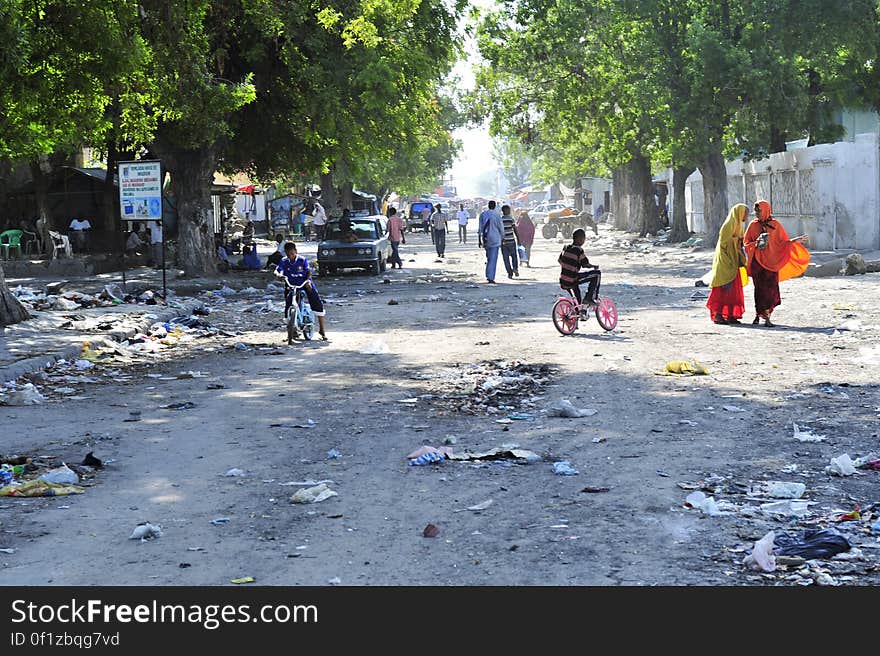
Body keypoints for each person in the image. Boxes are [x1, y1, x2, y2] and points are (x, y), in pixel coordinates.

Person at [743, 200, 810, 327]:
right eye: (755, 211)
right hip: (757, 262)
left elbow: (783, 242)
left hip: (772, 263)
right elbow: (746, 244)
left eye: (759, 210)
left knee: (770, 290)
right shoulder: (752, 225)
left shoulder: (775, 225)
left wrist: (794, 241)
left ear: (766, 210)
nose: (756, 213)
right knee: (759, 290)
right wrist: (755, 243)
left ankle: (767, 316)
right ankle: (759, 314)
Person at [273, 242, 327, 340]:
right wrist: (279, 275)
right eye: (288, 254)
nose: (290, 256)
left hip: (304, 284)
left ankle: (322, 330)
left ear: (296, 251)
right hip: (291, 285)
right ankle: (291, 331)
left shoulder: (302, 260)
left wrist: (308, 281)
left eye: (292, 253)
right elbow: (277, 270)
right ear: (285, 253)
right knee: (288, 304)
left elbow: (308, 271)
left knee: (316, 302)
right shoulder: (284, 261)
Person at [706, 204, 749, 325]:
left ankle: (731, 315)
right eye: (745, 213)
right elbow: (724, 243)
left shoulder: (739, 226)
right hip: (725, 261)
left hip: (734, 261)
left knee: (733, 291)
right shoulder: (727, 226)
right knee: (723, 288)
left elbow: (739, 243)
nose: (746, 216)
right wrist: (737, 240)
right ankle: (718, 315)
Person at [558, 228, 601, 308]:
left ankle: (578, 313)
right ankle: (590, 298)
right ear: (580, 239)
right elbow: (585, 264)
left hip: (563, 280)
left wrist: (568, 267)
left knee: (578, 303)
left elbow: (560, 260)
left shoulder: (566, 248)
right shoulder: (579, 250)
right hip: (573, 279)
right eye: (583, 238)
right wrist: (594, 266)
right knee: (597, 274)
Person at [479, 200, 504, 284]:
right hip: (495, 238)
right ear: (495, 206)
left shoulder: (483, 214)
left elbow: (480, 228)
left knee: (489, 257)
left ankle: (488, 274)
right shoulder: (497, 215)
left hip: (486, 238)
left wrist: (480, 240)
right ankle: (490, 276)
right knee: (493, 258)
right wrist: (502, 237)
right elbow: (501, 228)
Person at [500, 204, 520, 278]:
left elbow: (499, 231)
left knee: (506, 258)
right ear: (508, 211)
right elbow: (515, 229)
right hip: (511, 240)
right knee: (514, 256)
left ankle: (509, 272)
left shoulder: (500, 220)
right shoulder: (511, 219)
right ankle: (515, 268)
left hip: (504, 242)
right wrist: (518, 238)